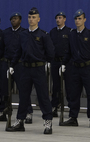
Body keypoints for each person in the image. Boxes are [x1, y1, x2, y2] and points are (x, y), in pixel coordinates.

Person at [6, 7, 55, 135]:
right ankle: (20, 121)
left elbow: (51, 53)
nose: (31, 19)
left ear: (38, 19)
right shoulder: (23, 35)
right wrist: (12, 65)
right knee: (23, 96)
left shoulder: (43, 35)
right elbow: (18, 52)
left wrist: (46, 63)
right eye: (29, 17)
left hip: (38, 69)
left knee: (43, 96)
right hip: (25, 69)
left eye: (34, 17)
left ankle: (48, 122)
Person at [60, 9, 90, 129]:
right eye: (76, 19)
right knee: (73, 94)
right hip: (75, 68)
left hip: (87, 68)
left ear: (84, 20)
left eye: (80, 19)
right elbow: (68, 52)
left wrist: (87, 57)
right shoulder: (72, 34)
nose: (77, 21)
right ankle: (73, 117)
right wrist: (63, 64)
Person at [2, 11, 33, 123]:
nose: (14, 20)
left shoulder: (24, 33)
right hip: (7, 63)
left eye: (16, 18)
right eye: (12, 19)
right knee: (5, 89)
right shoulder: (6, 32)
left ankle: (28, 112)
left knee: (23, 89)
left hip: (20, 65)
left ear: (20, 20)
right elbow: (1, 48)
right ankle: (5, 110)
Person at [49, 11, 70, 117]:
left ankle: (71, 106)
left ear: (64, 19)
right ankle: (55, 106)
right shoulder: (52, 32)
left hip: (66, 62)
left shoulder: (69, 32)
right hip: (55, 61)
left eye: (60, 18)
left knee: (69, 85)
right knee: (56, 86)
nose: (58, 20)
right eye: (57, 18)